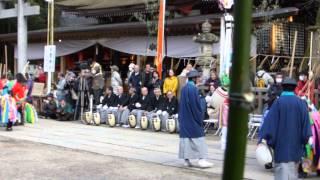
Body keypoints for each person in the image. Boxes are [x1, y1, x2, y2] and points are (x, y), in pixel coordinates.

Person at [259, 78, 312, 180]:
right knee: (293, 173)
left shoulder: (277, 103)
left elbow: (269, 124)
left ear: (283, 87)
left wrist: (265, 139)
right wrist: (306, 139)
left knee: (281, 173)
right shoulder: (301, 103)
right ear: (294, 88)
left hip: (280, 147)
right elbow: (306, 127)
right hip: (296, 148)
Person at [178, 69, 213, 168]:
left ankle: (186, 160)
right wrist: (204, 101)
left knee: (186, 139)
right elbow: (196, 106)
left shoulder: (184, 88)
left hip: (184, 118)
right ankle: (202, 159)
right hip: (192, 118)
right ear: (194, 79)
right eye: (198, 77)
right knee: (199, 137)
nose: (200, 79)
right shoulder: (193, 89)